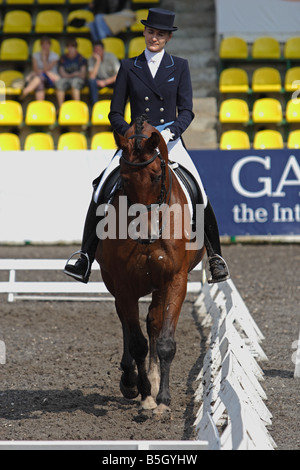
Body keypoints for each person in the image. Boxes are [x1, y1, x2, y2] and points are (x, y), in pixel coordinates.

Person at [64, 8, 230, 284]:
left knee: (199, 191)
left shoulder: (180, 66)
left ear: (167, 38)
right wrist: (130, 136)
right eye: (151, 32)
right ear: (144, 32)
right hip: (136, 143)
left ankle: (215, 257)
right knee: (101, 188)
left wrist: (170, 133)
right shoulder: (129, 67)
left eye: (160, 34)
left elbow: (187, 111)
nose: (155, 37)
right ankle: (85, 256)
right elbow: (114, 112)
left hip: (169, 141)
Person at [20, 36, 60, 101]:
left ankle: (25, 91)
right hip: (40, 78)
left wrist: (44, 58)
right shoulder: (35, 55)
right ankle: (40, 106)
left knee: (40, 77)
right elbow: (35, 69)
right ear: (40, 45)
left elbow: (47, 69)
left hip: (51, 79)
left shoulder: (55, 56)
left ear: (50, 45)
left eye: (47, 44)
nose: (45, 46)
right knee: (40, 82)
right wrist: (42, 72)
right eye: (43, 44)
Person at [55, 38, 87, 109]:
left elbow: (82, 75)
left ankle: (77, 108)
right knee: (59, 83)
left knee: (75, 82)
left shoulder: (81, 58)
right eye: (68, 47)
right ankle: (61, 108)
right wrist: (73, 74)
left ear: (75, 48)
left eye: (72, 47)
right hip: (66, 78)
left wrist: (75, 75)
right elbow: (62, 73)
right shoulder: (63, 58)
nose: (70, 49)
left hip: (78, 80)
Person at [88, 40, 120, 105]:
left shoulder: (111, 57)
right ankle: (94, 106)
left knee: (121, 81)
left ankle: (119, 106)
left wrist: (105, 82)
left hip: (111, 80)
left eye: (99, 50)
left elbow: (120, 74)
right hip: (99, 81)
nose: (97, 52)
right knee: (91, 82)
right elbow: (92, 77)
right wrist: (98, 61)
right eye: (95, 50)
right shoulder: (91, 59)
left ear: (103, 50)